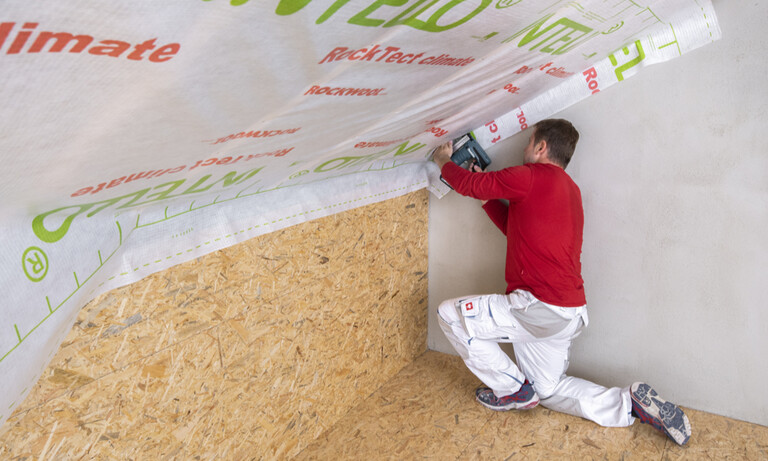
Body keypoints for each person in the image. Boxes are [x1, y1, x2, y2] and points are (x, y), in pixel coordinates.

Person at [432, 119, 692, 446]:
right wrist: (487, 200)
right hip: (568, 314)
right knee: (548, 390)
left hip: (538, 307)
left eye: (529, 143)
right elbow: (516, 230)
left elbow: (470, 184)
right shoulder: (570, 190)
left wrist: (443, 159)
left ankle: (511, 390)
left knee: (449, 315)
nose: (525, 149)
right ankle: (628, 404)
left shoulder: (528, 176)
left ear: (541, 148)